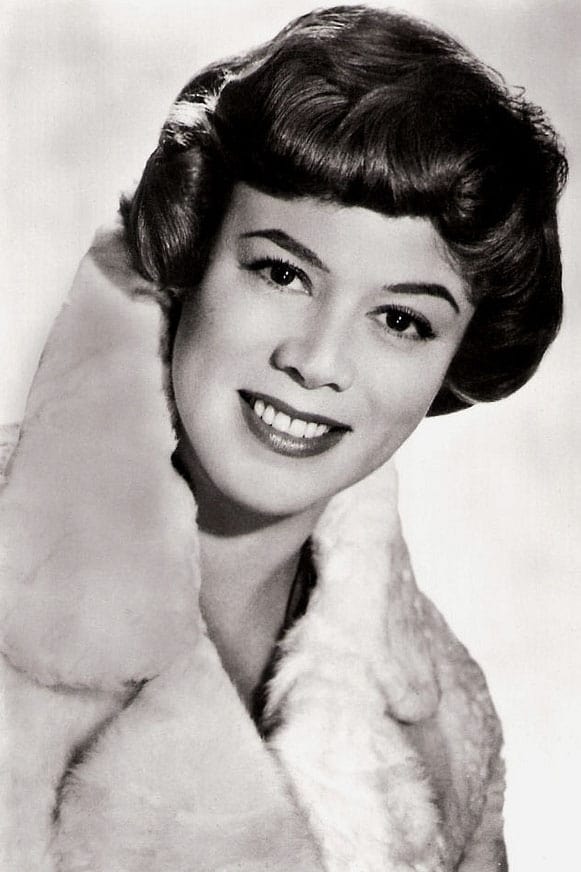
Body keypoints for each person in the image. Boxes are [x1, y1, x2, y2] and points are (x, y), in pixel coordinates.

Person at [0, 5, 566, 871]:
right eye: (281, 272)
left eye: (401, 321)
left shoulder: (445, 731)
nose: (316, 361)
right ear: (191, 256)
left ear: (455, 361)